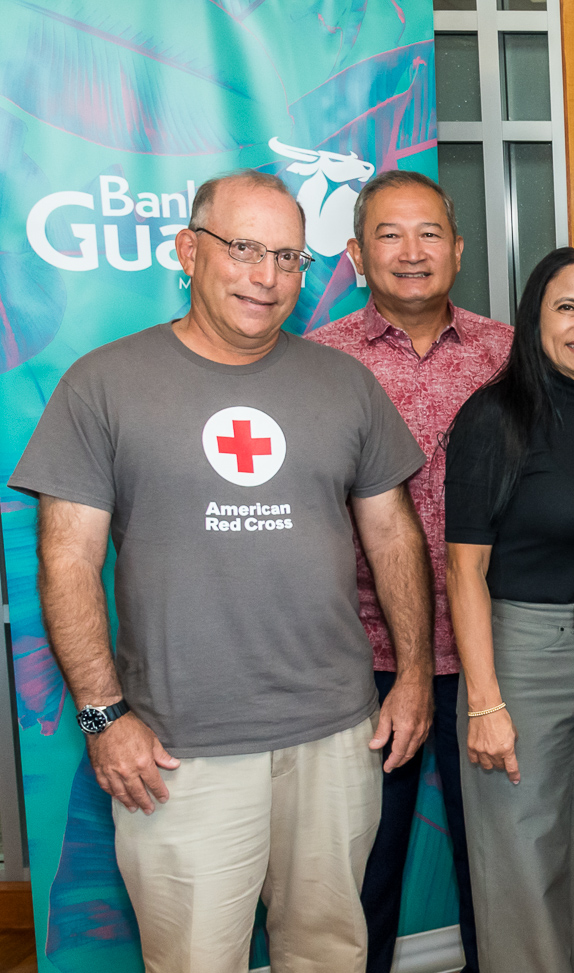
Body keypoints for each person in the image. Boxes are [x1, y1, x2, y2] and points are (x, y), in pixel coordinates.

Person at [11, 169, 434, 971]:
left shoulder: (345, 383)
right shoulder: (103, 384)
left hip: (336, 739)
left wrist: (412, 674)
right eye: (244, 249)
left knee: (333, 952)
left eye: (288, 257)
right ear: (187, 250)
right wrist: (103, 717)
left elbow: (394, 538)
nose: (267, 277)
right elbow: (66, 559)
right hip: (182, 753)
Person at [311, 168, 509, 973]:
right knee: (362, 870)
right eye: (389, 235)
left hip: (490, 653)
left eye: (429, 232)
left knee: (496, 866)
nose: (412, 251)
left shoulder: (507, 354)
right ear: (357, 255)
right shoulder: (315, 364)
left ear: (458, 249)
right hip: (361, 658)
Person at [444, 247, 574, 973]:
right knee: (523, 859)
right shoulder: (494, 417)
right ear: (535, 316)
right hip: (524, 655)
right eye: (568, 307)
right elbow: (463, 568)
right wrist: (484, 702)